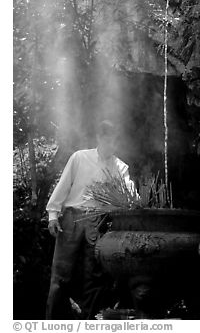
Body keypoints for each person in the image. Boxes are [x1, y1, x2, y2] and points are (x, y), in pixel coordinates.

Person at [46, 120, 133, 320]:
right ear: (100, 138)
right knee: (61, 276)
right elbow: (63, 185)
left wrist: (138, 201)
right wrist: (52, 215)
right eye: (109, 140)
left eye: (116, 141)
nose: (113, 145)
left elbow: (130, 192)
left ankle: (89, 323)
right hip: (72, 219)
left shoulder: (120, 167)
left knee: (94, 278)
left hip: (98, 222)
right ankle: (51, 322)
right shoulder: (79, 158)